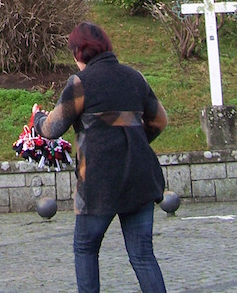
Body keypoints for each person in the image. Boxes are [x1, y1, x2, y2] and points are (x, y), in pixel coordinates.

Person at [32, 21, 168, 293]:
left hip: (99, 182)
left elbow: (52, 128)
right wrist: (135, 140)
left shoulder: (80, 83)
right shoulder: (135, 77)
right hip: (139, 176)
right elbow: (160, 121)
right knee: (142, 255)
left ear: (78, 53)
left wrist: (37, 117)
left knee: (85, 248)